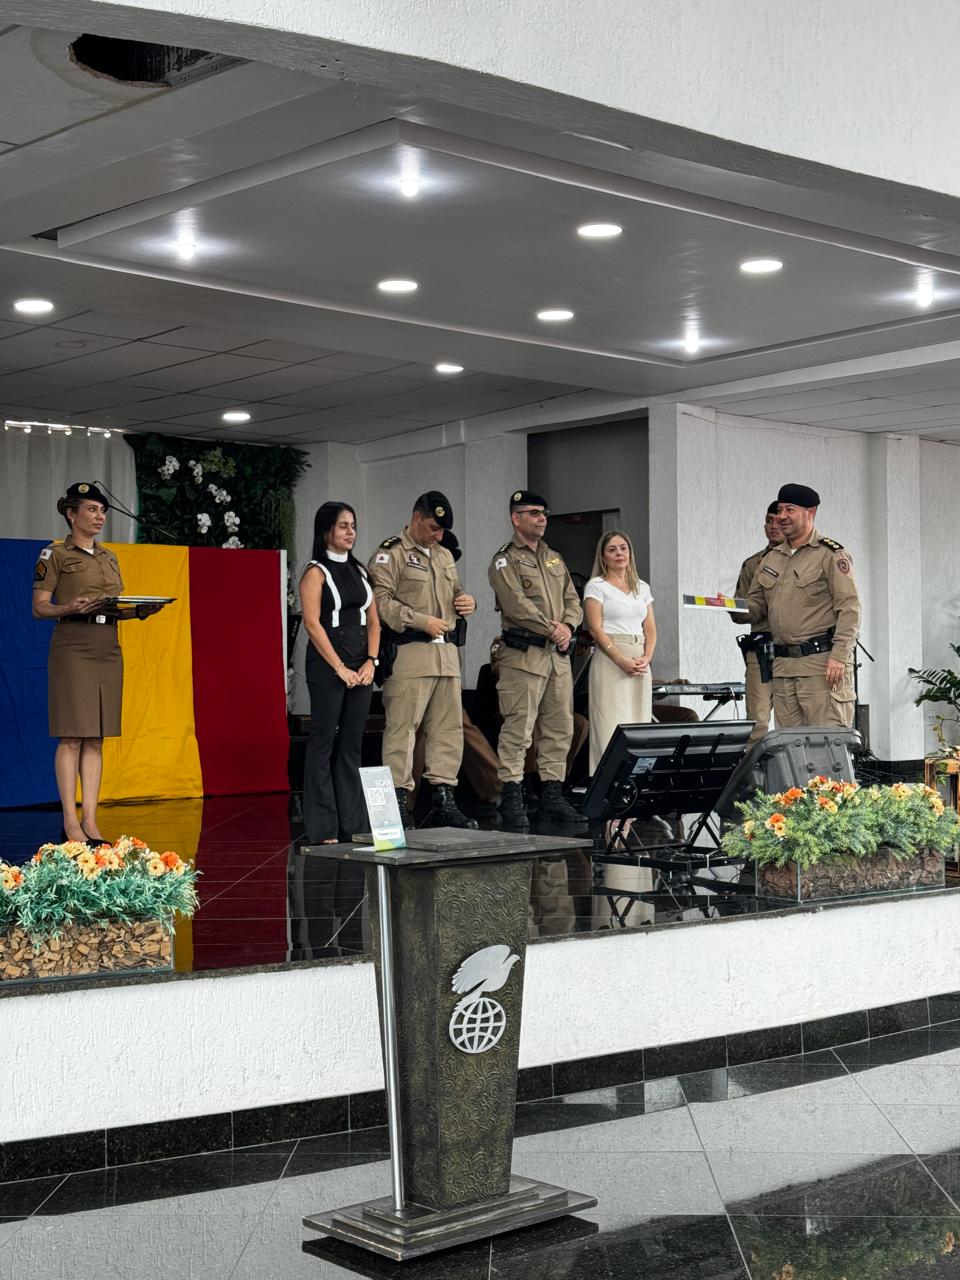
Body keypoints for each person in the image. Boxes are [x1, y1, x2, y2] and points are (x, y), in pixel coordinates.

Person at [31, 482, 160, 844]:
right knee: (72, 734)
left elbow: (113, 605)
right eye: (91, 509)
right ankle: (70, 822)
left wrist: (140, 611)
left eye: (102, 510)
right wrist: (67, 607)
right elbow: (39, 607)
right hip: (73, 644)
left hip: (107, 645)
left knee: (96, 736)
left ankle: (91, 820)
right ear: (71, 514)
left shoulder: (109, 557)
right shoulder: (55, 555)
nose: (99, 516)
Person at [368, 492, 477, 828]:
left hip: (446, 656)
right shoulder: (392, 553)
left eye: (442, 531)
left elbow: (455, 592)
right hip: (410, 654)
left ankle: (444, 798)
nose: (438, 536)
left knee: (448, 730)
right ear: (416, 518)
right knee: (402, 731)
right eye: (432, 528)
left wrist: (466, 601)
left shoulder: (444, 555)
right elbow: (380, 603)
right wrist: (420, 620)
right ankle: (398, 803)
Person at [487, 489, 585, 831]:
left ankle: (552, 796)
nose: (542, 519)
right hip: (523, 656)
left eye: (544, 513)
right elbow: (516, 605)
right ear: (516, 519)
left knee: (559, 728)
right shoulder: (505, 561)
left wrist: (568, 626)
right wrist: (553, 628)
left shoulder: (554, 557)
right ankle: (512, 796)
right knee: (518, 729)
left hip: (557, 658)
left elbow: (573, 600)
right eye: (533, 513)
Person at [739, 483, 861, 728]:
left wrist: (839, 657)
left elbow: (850, 609)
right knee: (790, 746)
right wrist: (727, 605)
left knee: (826, 743)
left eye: (790, 510)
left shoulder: (830, 554)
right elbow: (756, 607)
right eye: (779, 510)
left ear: (810, 512)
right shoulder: (771, 558)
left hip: (821, 666)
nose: (782, 516)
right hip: (783, 668)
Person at [299, 501, 381, 844]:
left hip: (361, 663)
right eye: (343, 526)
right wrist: (339, 668)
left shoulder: (361, 571)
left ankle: (354, 824)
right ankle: (323, 827)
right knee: (323, 741)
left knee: (351, 743)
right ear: (326, 531)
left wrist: (371, 661)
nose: (351, 532)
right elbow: (312, 623)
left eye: (353, 525)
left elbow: (374, 622)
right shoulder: (315, 572)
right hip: (327, 663)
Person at [583, 529, 656, 774]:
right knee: (610, 725)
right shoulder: (597, 586)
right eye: (612, 549)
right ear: (603, 556)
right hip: (611, 659)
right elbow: (595, 628)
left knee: (639, 725)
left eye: (623, 548)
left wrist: (647, 657)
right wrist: (621, 659)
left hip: (639, 660)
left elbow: (651, 628)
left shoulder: (642, 587)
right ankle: (607, 787)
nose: (619, 554)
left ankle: (634, 787)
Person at [729, 501, 785, 745]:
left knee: (791, 720)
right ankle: (755, 769)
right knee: (757, 720)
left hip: (795, 649)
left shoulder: (803, 559)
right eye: (769, 521)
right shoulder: (753, 564)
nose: (773, 527)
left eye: (779, 522)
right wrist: (729, 605)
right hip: (761, 648)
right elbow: (740, 614)